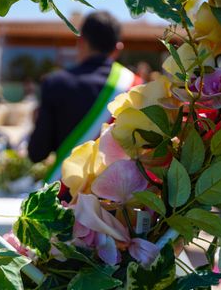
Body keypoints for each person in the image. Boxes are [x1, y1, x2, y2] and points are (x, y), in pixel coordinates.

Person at [28, 11, 140, 183]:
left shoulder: (55, 83)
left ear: (80, 42)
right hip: (117, 202)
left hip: (66, 194)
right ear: (118, 49)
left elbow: (37, 153)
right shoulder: (135, 86)